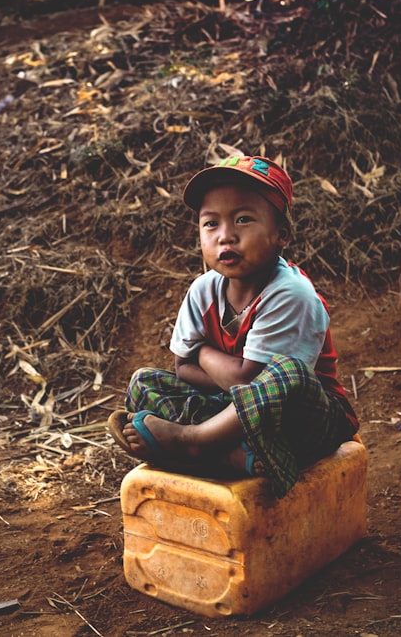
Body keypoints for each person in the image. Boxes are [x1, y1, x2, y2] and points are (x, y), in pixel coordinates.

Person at [107, 155, 359, 497]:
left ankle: (192, 443)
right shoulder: (202, 291)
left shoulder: (291, 294)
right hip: (233, 416)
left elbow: (250, 380)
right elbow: (182, 369)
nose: (226, 237)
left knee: (288, 373)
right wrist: (227, 374)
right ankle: (231, 455)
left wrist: (204, 353)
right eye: (211, 224)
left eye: (243, 219)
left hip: (302, 423)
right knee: (143, 383)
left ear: (280, 234)